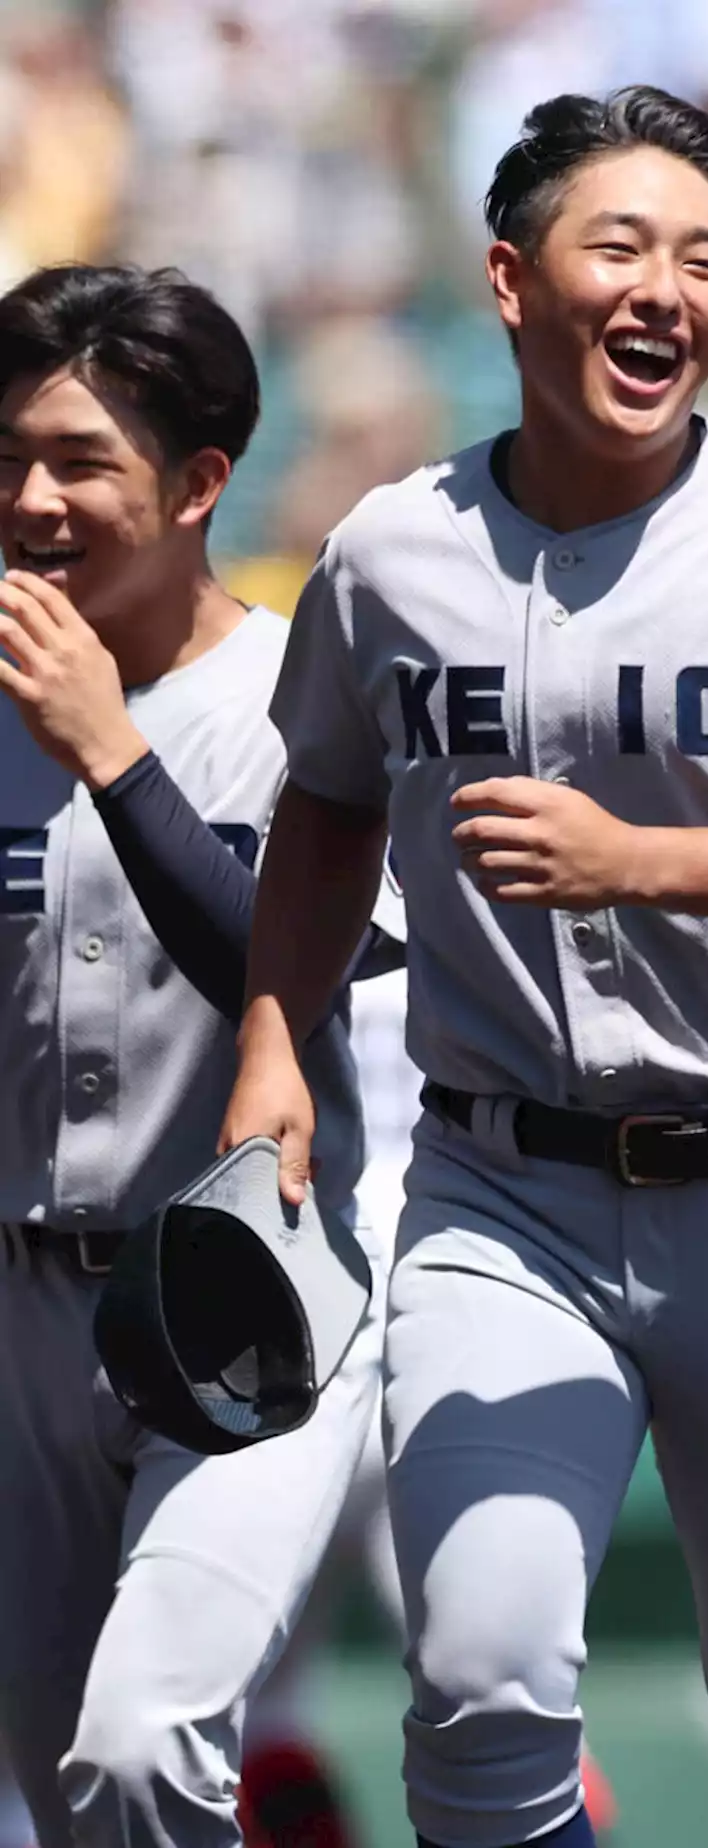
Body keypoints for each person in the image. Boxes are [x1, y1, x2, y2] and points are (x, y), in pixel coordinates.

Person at [221, 85, 708, 1848]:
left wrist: (641, 862)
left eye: (707, 259)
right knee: (484, 1699)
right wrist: (275, 1049)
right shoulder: (384, 554)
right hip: (504, 1201)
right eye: (623, 246)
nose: (668, 290)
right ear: (510, 280)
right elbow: (327, 815)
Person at [0, 262, 386, 1848]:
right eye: (8, 458)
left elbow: (307, 972)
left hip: (251, 1299)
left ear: (198, 483)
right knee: (65, 1799)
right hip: (21, 1309)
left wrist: (112, 755)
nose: (31, 499)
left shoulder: (314, 699)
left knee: (148, 1747)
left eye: (80, 461)